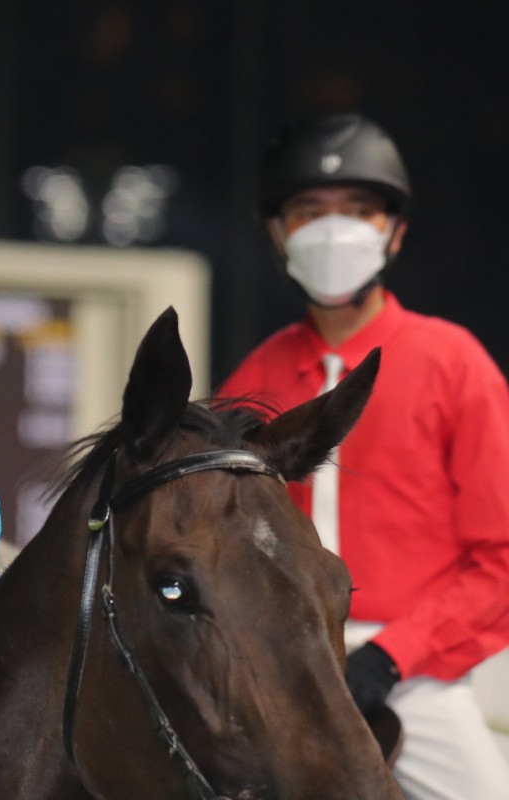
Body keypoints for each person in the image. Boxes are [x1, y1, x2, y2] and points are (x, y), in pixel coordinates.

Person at [218, 112, 509, 799]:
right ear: (276, 231)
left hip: (413, 673)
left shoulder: (454, 363)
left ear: (395, 230)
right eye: (310, 210)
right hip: (276, 661)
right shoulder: (253, 379)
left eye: (358, 210)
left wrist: (390, 654)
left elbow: (501, 557)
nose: (333, 228)